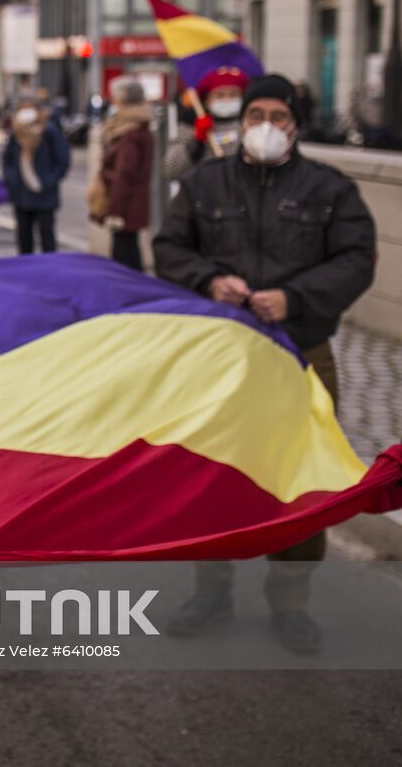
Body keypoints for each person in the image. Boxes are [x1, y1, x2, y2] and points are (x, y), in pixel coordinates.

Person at [152, 73, 376, 654]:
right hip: (220, 358)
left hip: (301, 350)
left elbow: (356, 257)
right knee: (211, 471)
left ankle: (292, 600)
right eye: (257, 116)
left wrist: (296, 298)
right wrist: (208, 280)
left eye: (279, 116)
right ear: (242, 121)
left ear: (296, 125)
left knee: (301, 473)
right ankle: (211, 588)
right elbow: (169, 248)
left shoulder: (329, 188)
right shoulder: (204, 184)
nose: (266, 127)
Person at [93, 78, 155, 271]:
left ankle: (133, 297)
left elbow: (124, 175)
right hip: (131, 202)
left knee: (124, 257)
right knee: (127, 250)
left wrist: (115, 211)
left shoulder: (130, 133)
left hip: (126, 204)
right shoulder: (138, 128)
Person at [0, 99, 71, 254]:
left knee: (47, 236)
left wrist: (48, 181)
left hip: (44, 196)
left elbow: (62, 160)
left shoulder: (49, 131)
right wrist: (12, 180)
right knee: (24, 238)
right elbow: (7, 159)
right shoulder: (16, 132)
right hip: (21, 195)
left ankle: (50, 269)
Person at [164, 67, 249, 183]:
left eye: (233, 95)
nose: (226, 100)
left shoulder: (249, 126)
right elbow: (171, 170)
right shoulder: (191, 126)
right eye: (220, 95)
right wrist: (196, 143)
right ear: (207, 100)